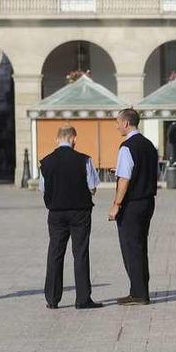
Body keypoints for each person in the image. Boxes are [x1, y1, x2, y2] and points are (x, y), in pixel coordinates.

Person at [39, 125, 103, 310]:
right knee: (80, 253)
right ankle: (83, 298)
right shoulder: (84, 160)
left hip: (56, 213)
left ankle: (52, 298)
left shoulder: (46, 162)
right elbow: (92, 187)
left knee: (55, 253)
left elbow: (43, 189)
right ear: (74, 138)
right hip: (80, 212)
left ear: (57, 139)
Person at [108, 108, 159, 306]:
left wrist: (116, 204)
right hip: (148, 201)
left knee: (131, 247)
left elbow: (125, 179)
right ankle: (140, 289)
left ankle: (138, 293)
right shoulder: (149, 145)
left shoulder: (127, 147)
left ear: (126, 123)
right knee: (140, 245)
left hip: (132, 203)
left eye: (118, 122)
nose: (117, 126)